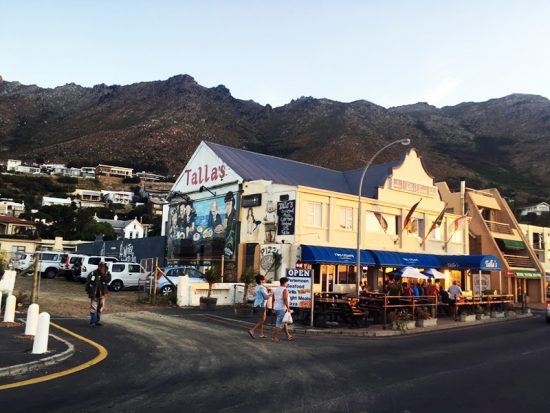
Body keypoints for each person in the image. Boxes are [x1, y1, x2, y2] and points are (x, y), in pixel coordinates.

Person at [85, 262, 111, 327]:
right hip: (94, 294)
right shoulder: (93, 273)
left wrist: (103, 274)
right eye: (100, 267)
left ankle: (97, 321)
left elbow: (108, 280)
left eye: (103, 267)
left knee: (100, 308)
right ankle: (92, 322)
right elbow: (88, 282)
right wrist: (89, 291)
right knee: (93, 308)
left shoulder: (107, 273)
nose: (101, 268)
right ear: (98, 267)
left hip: (102, 294)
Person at [272, 277, 293, 342]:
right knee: (279, 324)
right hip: (282, 308)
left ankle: (288, 335)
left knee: (284, 322)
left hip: (277, 308)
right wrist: (288, 308)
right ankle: (274, 337)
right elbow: (285, 299)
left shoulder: (276, 289)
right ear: (285, 282)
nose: (287, 284)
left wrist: (273, 308)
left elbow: (273, 299)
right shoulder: (284, 289)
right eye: (287, 282)